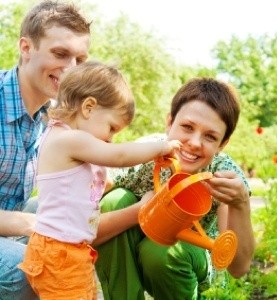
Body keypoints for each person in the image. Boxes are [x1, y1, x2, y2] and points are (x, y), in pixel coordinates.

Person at [18, 60, 181, 299]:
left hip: (64, 250)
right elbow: (120, 156)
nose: (111, 139)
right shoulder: (70, 140)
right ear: (88, 107)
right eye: (112, 128)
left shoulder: (64, 139)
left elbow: (86, 183)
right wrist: (160, 147)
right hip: (61, 253)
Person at [93, 77, 256, 299]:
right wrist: (138, 211)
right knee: (114, 201)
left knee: (161, 252)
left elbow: (239, 268)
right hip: (135, 248)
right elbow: (83, 230)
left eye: (210, 136)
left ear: (223, 144)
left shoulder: (223, 175)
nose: (195, 142)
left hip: (188, 262)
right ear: (169, 123)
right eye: (187, 127)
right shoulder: (146, 154)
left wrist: (241, 203)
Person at [0, 1, 91, 299]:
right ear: (26, 48)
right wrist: (32, 224)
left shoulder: (50, 118)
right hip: (11, 228)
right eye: (60, 54)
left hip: (8, 221)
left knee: (80, 215)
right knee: (29, 269)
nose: (72, 69)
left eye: (80, 58)